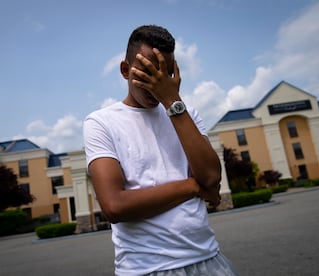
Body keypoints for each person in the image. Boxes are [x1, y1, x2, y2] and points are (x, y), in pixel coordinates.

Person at [83, 25, 238, 276]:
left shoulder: (185, 114)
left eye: (164, 73)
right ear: (125, 70)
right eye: (148, 72)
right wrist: (193, 187)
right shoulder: (101, 123)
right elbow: (114, 206)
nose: (157, 83)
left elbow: (211, 176)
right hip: (147, 269)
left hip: (209, 258)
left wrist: (172, 102)